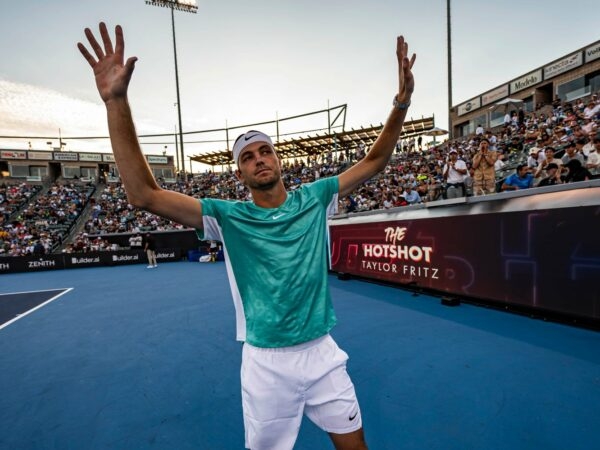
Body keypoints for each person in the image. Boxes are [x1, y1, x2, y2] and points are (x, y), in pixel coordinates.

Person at [78, 22, 416, 450]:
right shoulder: (227, 217)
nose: (258, 160)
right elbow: (144, 194)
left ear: (277, 158)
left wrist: (401, 102)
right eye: (248, 157)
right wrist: (116, 101)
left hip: (323, 353)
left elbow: (374, 161)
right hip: (266, 364)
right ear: (239, 173)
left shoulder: (315, 198)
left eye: (264, 151)